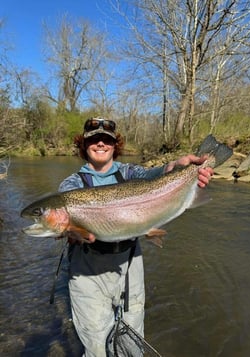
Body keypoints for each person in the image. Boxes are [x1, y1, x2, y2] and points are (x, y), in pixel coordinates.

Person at [58, 117, 214, 357]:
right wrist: (71, 233)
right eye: (94, 140)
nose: (100, 144)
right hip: (86, 270)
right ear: (84, 145)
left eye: (107, 140)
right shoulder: (71, 186)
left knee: (131, 343)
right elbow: (66, 226)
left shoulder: (131, 173)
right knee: (96, 345)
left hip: (130, 264)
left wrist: (181, 166)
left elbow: (157, 174)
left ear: (115, 145)